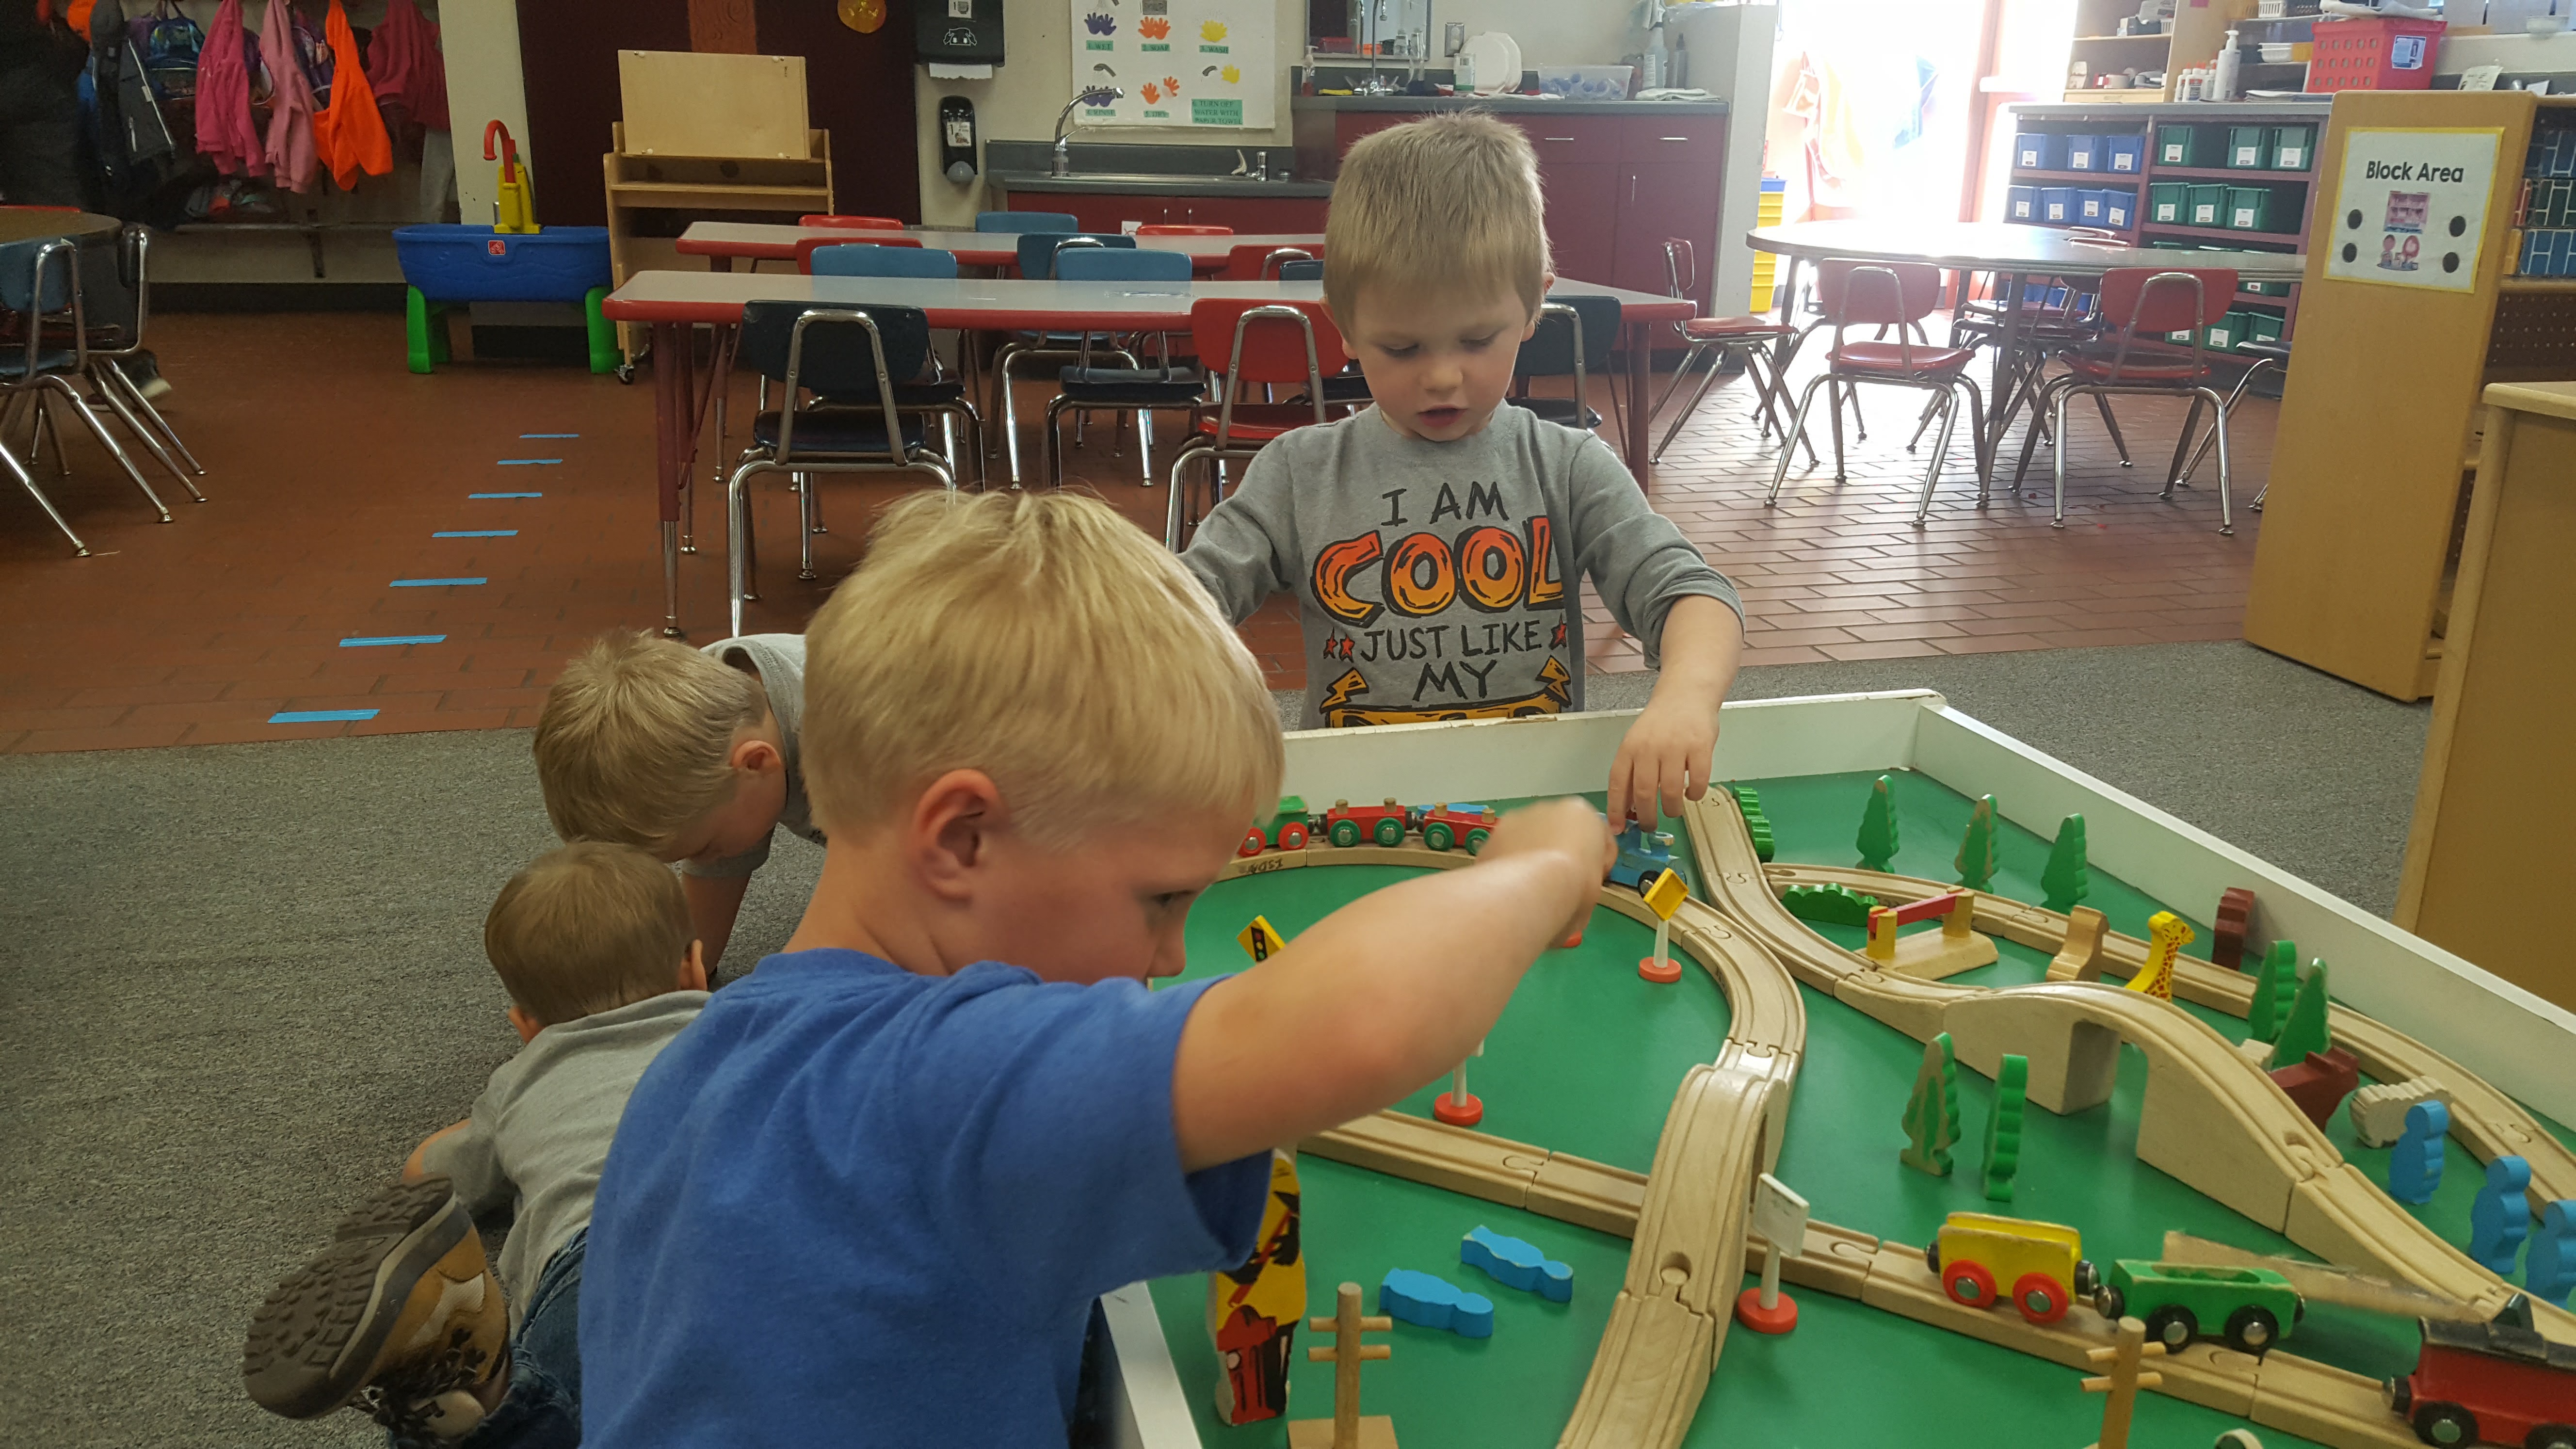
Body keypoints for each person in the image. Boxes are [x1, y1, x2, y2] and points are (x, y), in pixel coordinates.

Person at [578, 491, 1611, 1446]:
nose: (1169, 952)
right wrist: (1547, 864)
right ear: (963, 840)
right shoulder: (942, 1082)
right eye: (1160, 900)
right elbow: (1360, 1023)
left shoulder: (698, 1055)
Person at [1179, 111, 1746, 828]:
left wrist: (1686, 698)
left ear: (1536, 302)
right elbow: (1186, 600)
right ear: (1344, 326)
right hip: (1355, 817)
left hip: (1527, 811)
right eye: (1402, 348)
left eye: (1477, 340)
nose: (1442, 377)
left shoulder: (1567, 465)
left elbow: (1692, 592)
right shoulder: (1299, 471)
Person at [242, 842, 712, 1449]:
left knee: (571, 1415)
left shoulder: (526, 1078)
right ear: (695, 971)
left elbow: (429, 1183)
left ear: (525, 1026)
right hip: (742, 1236)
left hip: (596, 1265)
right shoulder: (741, 1024)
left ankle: (482, 1397)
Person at [533, 632, 816, 972]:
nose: (705, 860)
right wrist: (684, 974)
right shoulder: (709, 712)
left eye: (706, 848)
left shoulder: (863, 751)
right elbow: (715, 880)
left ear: (755, 763)